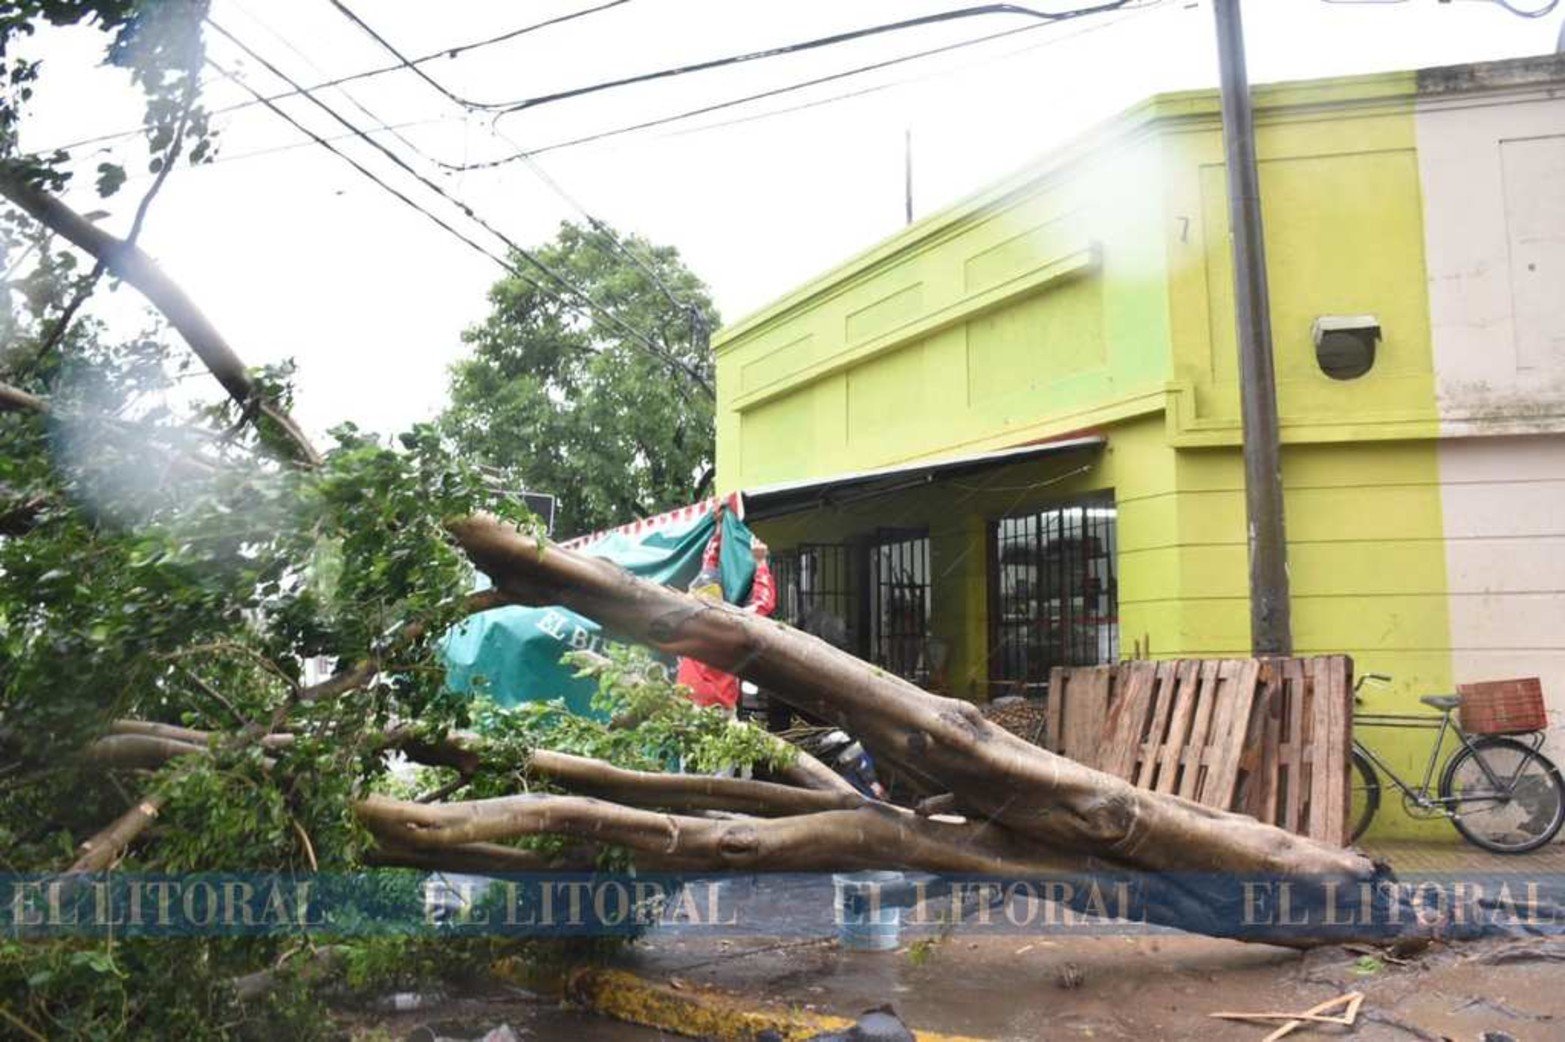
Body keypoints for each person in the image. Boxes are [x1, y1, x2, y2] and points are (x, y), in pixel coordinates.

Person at [675, 509, 775, 712]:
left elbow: (708, 567)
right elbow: (763, 603)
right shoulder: (728, 624)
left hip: (684, 707)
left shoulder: (686, 617)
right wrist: (761, 563)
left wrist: (720, 531)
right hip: (718, 710)